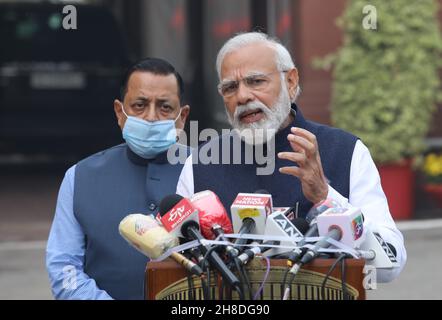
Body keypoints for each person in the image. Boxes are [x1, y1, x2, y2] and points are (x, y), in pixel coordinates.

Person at [177, 32, 406, 282]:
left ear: (291, 81)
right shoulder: (201, 163)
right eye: (230, 87)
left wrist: (325, 196)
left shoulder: (346, 151)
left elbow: (389, 265)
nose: (242, 96)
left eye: (255, 81)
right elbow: (178, 266)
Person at [46, 58, 190, 300]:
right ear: (119, 112)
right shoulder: (80, 177)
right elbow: (64, 266)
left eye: (165, 107)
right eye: (139, 105)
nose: (151, 117)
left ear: (182, 117)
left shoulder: (205, 170)